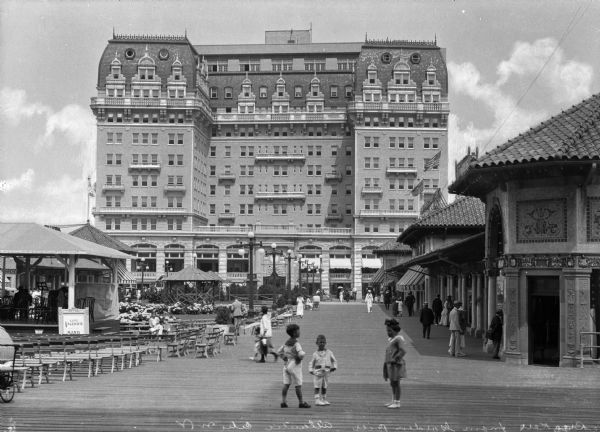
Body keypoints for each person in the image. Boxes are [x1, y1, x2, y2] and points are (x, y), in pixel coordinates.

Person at [277, 323, 310, 408]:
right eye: (298, 331)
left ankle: (283, 401)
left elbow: (279, 351)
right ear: (295, 333)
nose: (299, 332)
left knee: (286, 384)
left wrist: (284, 357)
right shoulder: (296, 344)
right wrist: (300, 356)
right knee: (298, 385)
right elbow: (301, 354)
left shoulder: (286, 343)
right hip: (295, 366)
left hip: (286, 365)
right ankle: (301, 402)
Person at [382, 318, 407, 409]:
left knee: (396, 383)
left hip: (396, 365)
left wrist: (396, 358)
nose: (388, 332)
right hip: (390, 365)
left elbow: (403, 350)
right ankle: (393, 400)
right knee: (392, 383)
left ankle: (397, 401)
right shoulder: (392, 339)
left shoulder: (398, 339)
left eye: (389, 330)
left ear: (394, 330)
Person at [308, 334, 337, 406]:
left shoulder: (329, 352)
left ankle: (324, 399)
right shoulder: (315, 354)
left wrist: (334, 366)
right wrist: (311, 370)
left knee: (325, 386)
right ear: (317, 343)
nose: (322, 344)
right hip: (318, 372)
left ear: (325, 343)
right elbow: (311, 362)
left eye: (323, 342)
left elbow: (334, 360)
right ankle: (317, 399)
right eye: (320, 342)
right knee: (317, 386)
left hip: (326, 372)